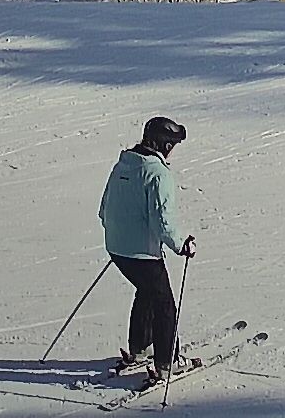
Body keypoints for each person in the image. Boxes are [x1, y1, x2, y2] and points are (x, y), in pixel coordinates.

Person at [100, 116, 197, 384]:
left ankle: (141, 347)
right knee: (164, 303)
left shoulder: (123, 164)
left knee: (148, 290)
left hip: (117, 248)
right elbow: (162, 221)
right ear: (164, 145)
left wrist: (121, 235)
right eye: (173, 144)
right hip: (140, 253)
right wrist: (182, 243)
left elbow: (104, 206)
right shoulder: (157, 173)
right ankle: (168, 362)